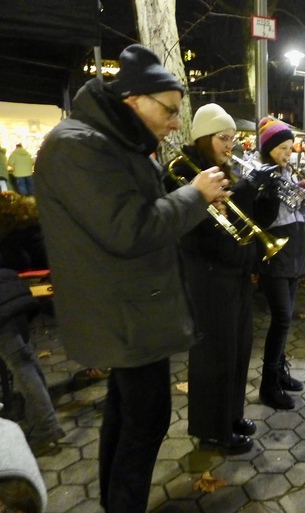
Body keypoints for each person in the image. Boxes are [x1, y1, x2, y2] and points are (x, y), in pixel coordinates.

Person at [33, 44, 229, 512]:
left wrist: (188, 197)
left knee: (126, 416)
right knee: (145, 421)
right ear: (133, 100)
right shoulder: (79, 146)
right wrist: (194, 197)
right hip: (122, 311)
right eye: (170, 111)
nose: (176, 123)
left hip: (133, 307)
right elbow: (130, 229)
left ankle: (115, 502)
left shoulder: (114, 141)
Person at [167, 104, 275, 454]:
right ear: (203, 137)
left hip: (236, 274)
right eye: (223, 138)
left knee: (239, 351)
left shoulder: (224, 169)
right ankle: (211, 431)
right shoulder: (184, 171)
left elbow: (257, 220)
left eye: (232, 137)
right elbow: (196, 226)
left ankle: (231, 415)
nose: (231, 144)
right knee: (214, 356)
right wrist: (245, 190)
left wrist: (267, 191)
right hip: (209, 277)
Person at [255, 117, 305, 410]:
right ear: (268, 149)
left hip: (293, 249)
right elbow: (268, 218)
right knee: (281, 318)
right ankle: (268, 385)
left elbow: (303, 219)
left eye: (289, 147)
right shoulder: (263, 177)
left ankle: (279, 372)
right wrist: (287, 194)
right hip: (274, 253)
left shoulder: (287, 174)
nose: (287, 153)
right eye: (282, 148)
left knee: (287, 317)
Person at [0, 269, 64, 456]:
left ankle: (46, 428)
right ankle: (40, 422)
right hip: (10, 296)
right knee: (26, 362)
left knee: (22, 365)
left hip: (3, 308)